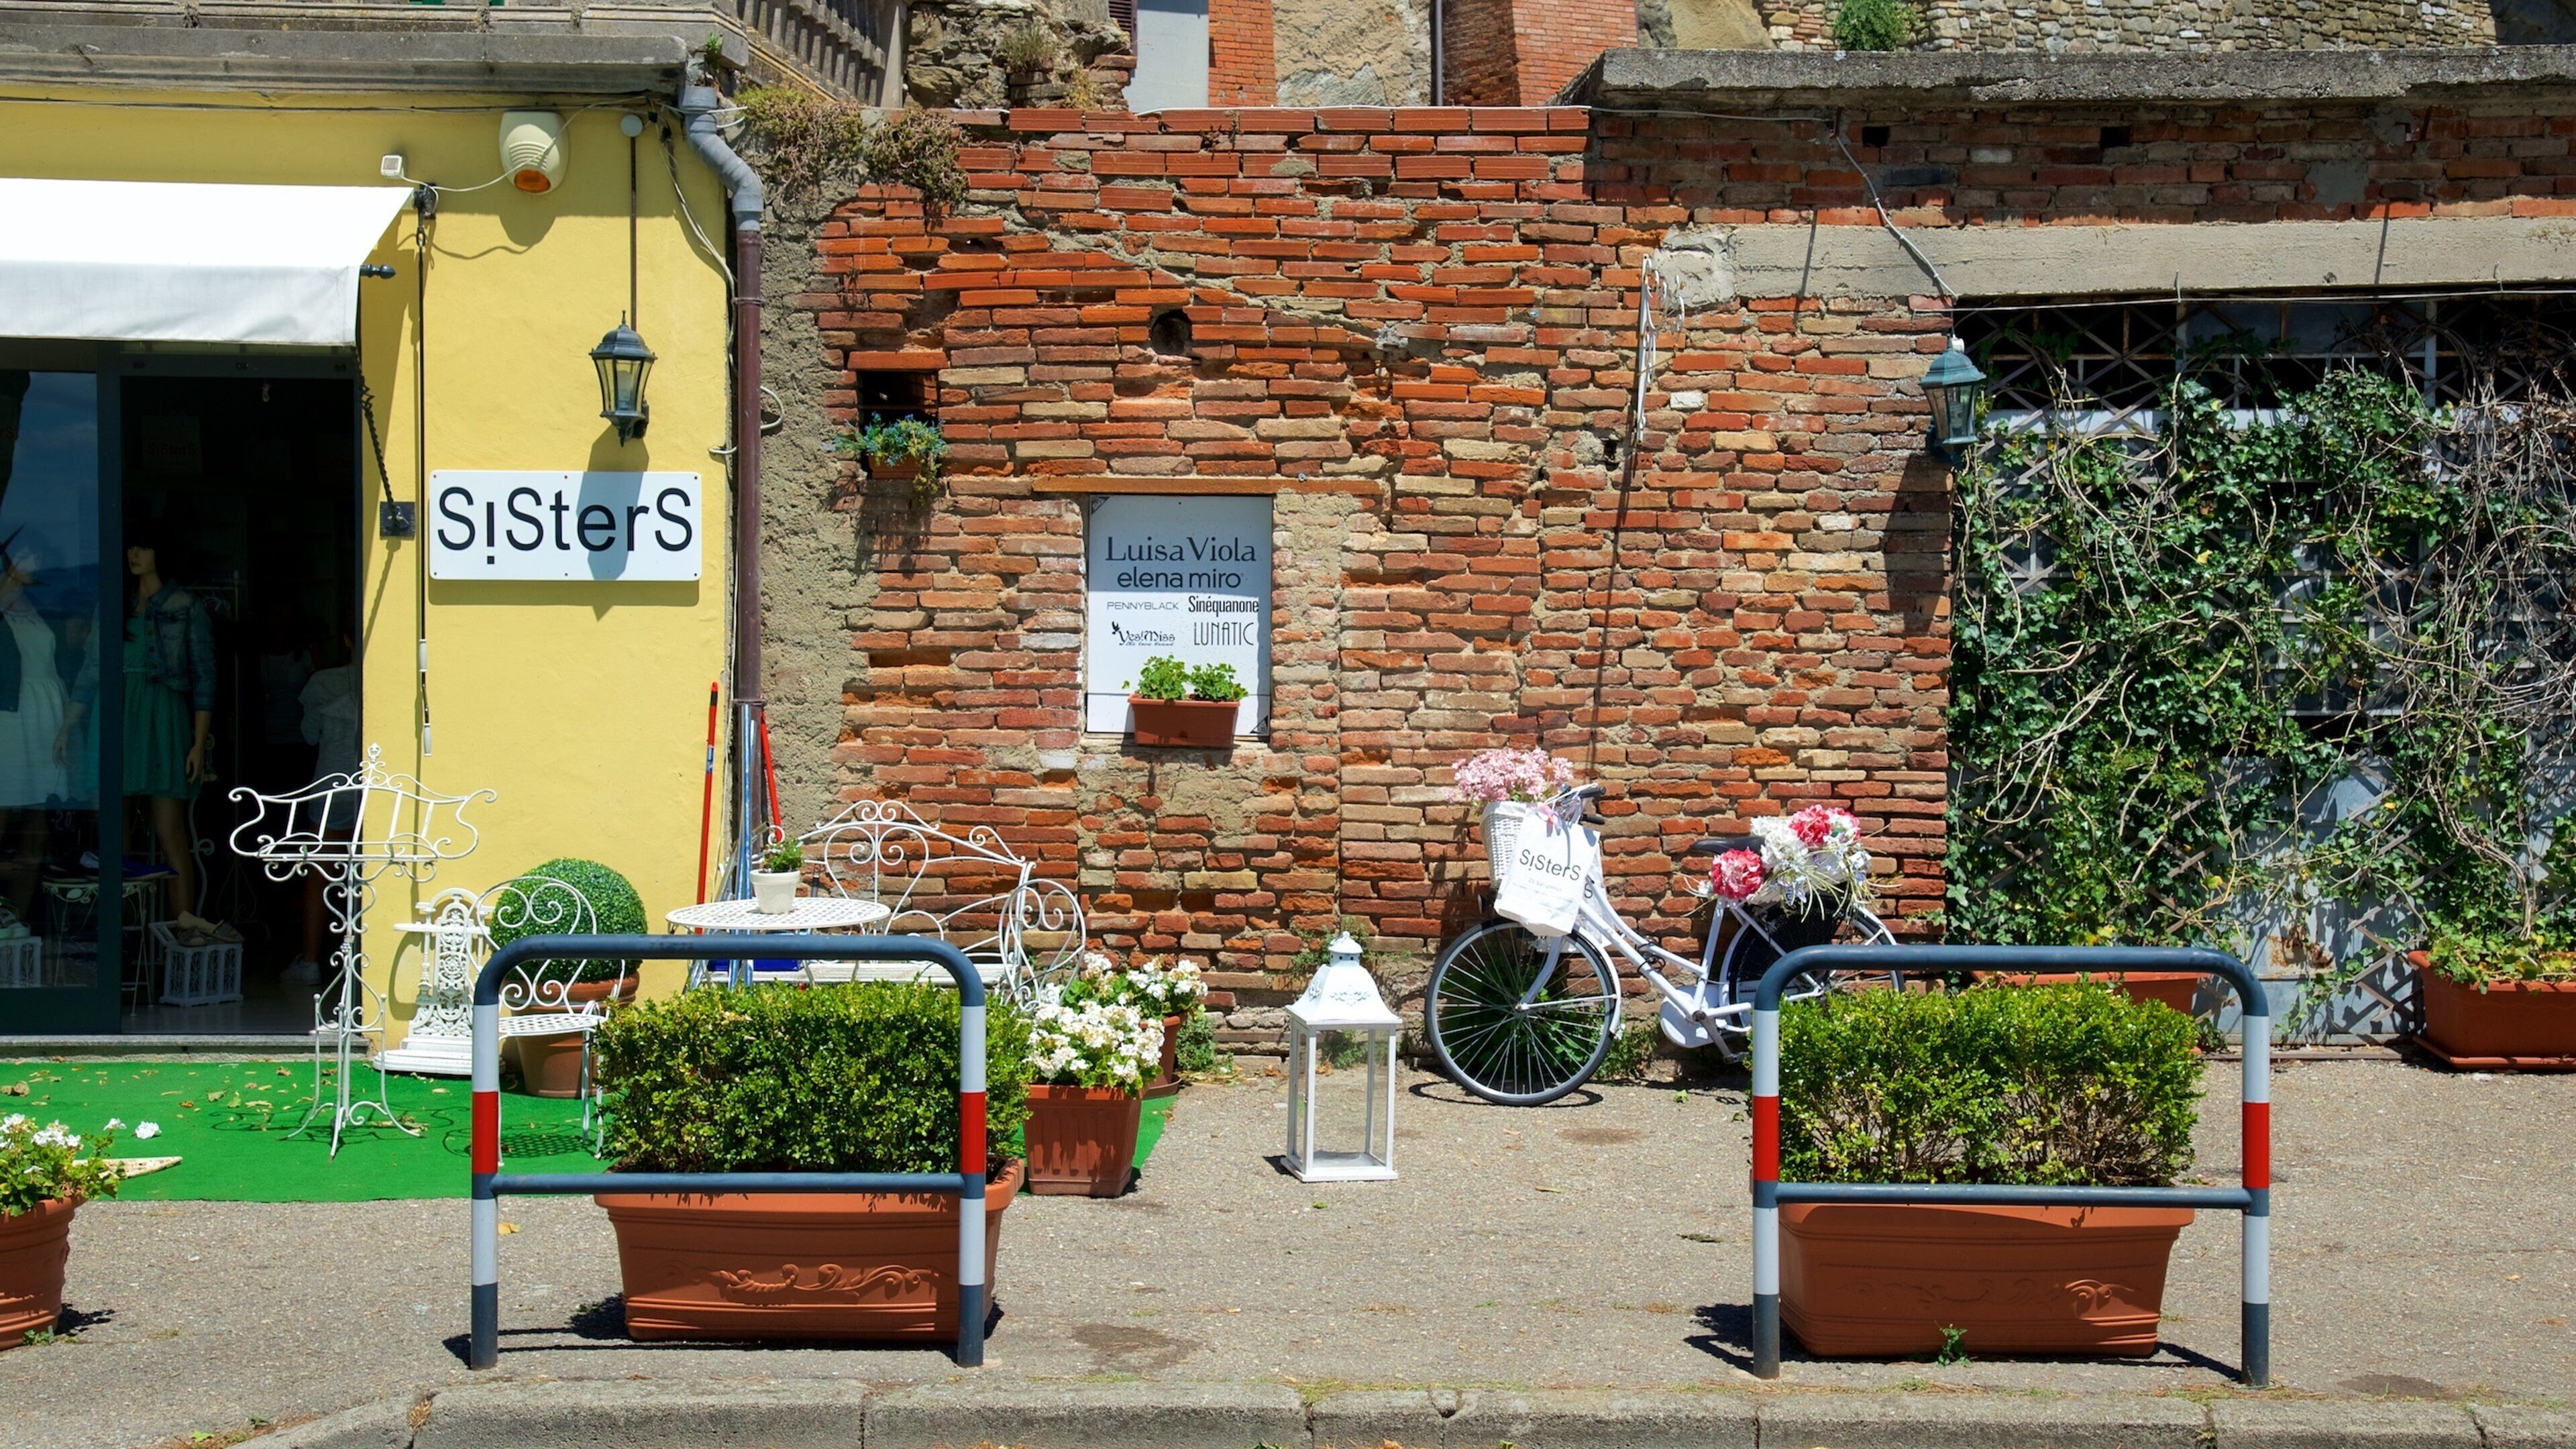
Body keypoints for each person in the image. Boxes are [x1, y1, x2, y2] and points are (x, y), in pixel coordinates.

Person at [122, 518, 228, 945]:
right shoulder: (115, 602)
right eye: (131, 547)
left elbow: (205, 678)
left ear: (160, 553)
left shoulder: (187, 605)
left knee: (171, 832)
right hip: (118, 717)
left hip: (165, 717)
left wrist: (199, 743)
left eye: (144, 547)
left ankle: (186, 929)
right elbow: (92, 669)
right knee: (117, 835)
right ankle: (119, 942)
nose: (135, 555)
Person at [284, 631, 359, 987]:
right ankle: (361, 965)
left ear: (345, 640)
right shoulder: (389, 677)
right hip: (377, 783)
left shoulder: (322, 683)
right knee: (375, 870)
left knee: (320, 874)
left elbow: (310, 735)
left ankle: (311, 962)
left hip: (332, 786)